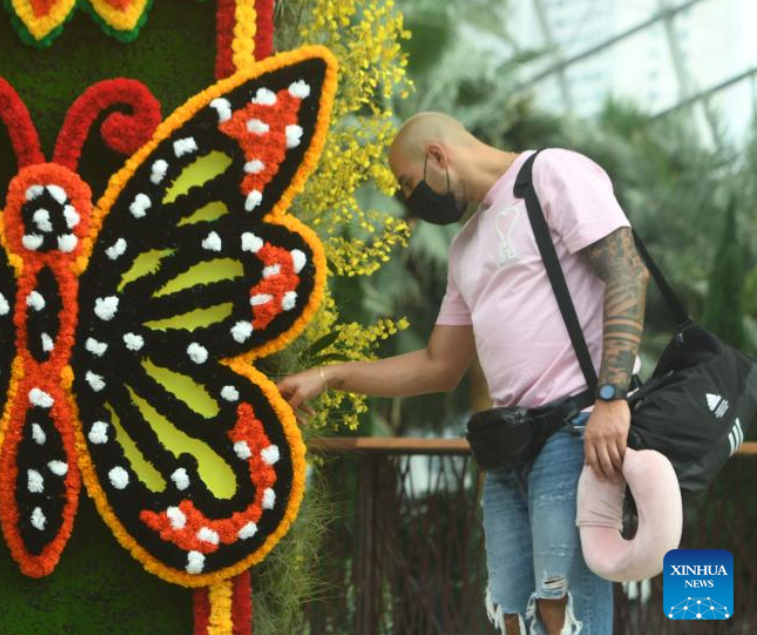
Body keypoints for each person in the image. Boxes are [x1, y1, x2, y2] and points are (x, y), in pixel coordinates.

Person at [277, 113, 649, 635]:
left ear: (437, 154)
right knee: (511, 612)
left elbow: (627, 272)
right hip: (509, 448)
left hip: (576, 431)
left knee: (566, 611)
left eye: (408, 183)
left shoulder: (550, 175)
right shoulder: (465, 248)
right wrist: (330, 374)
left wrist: (612, 399)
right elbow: (438, 365)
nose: (410, 199)